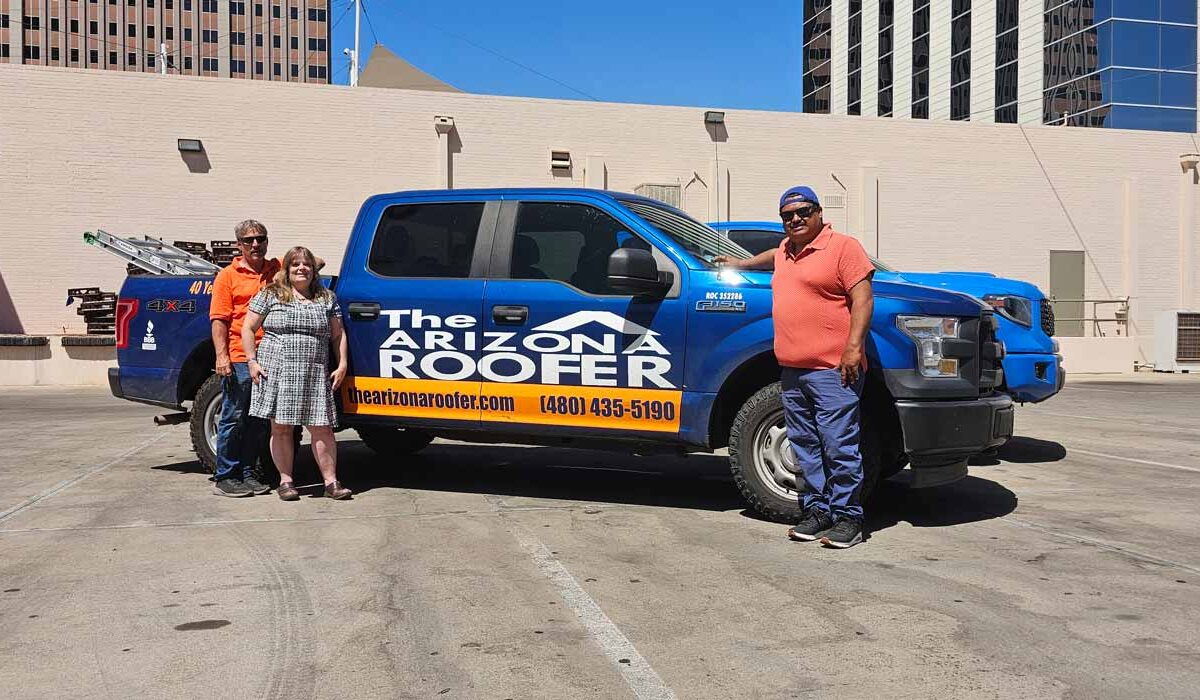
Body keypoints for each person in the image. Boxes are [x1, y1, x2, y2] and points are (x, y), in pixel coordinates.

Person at [717, 186, 875, 548]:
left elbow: (863, 299)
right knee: (805, 446)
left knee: (838, 446)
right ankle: (818, 511)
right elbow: (772, 255)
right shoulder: (786, 250)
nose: (796, 219)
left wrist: (853, 348)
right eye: (788, 216)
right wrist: (742, 264)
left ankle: (848, 518)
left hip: (834, 370)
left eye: (803, 212)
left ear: (819, 212)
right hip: (792, 371)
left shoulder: (843, 247)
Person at [242, 246, 350, 501]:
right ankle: (286, 481)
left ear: (314, 270)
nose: (302, 268)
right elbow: (248, 327)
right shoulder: (271, 294)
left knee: (322, 427)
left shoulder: (327, 298)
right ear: (287, 269)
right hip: (277, 369)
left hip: (314, 370)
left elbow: (338, 335)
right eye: (296, 264)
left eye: (307, 264)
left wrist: (342, 364)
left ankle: (331, 482)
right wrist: (252, 361)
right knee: (281, 428)